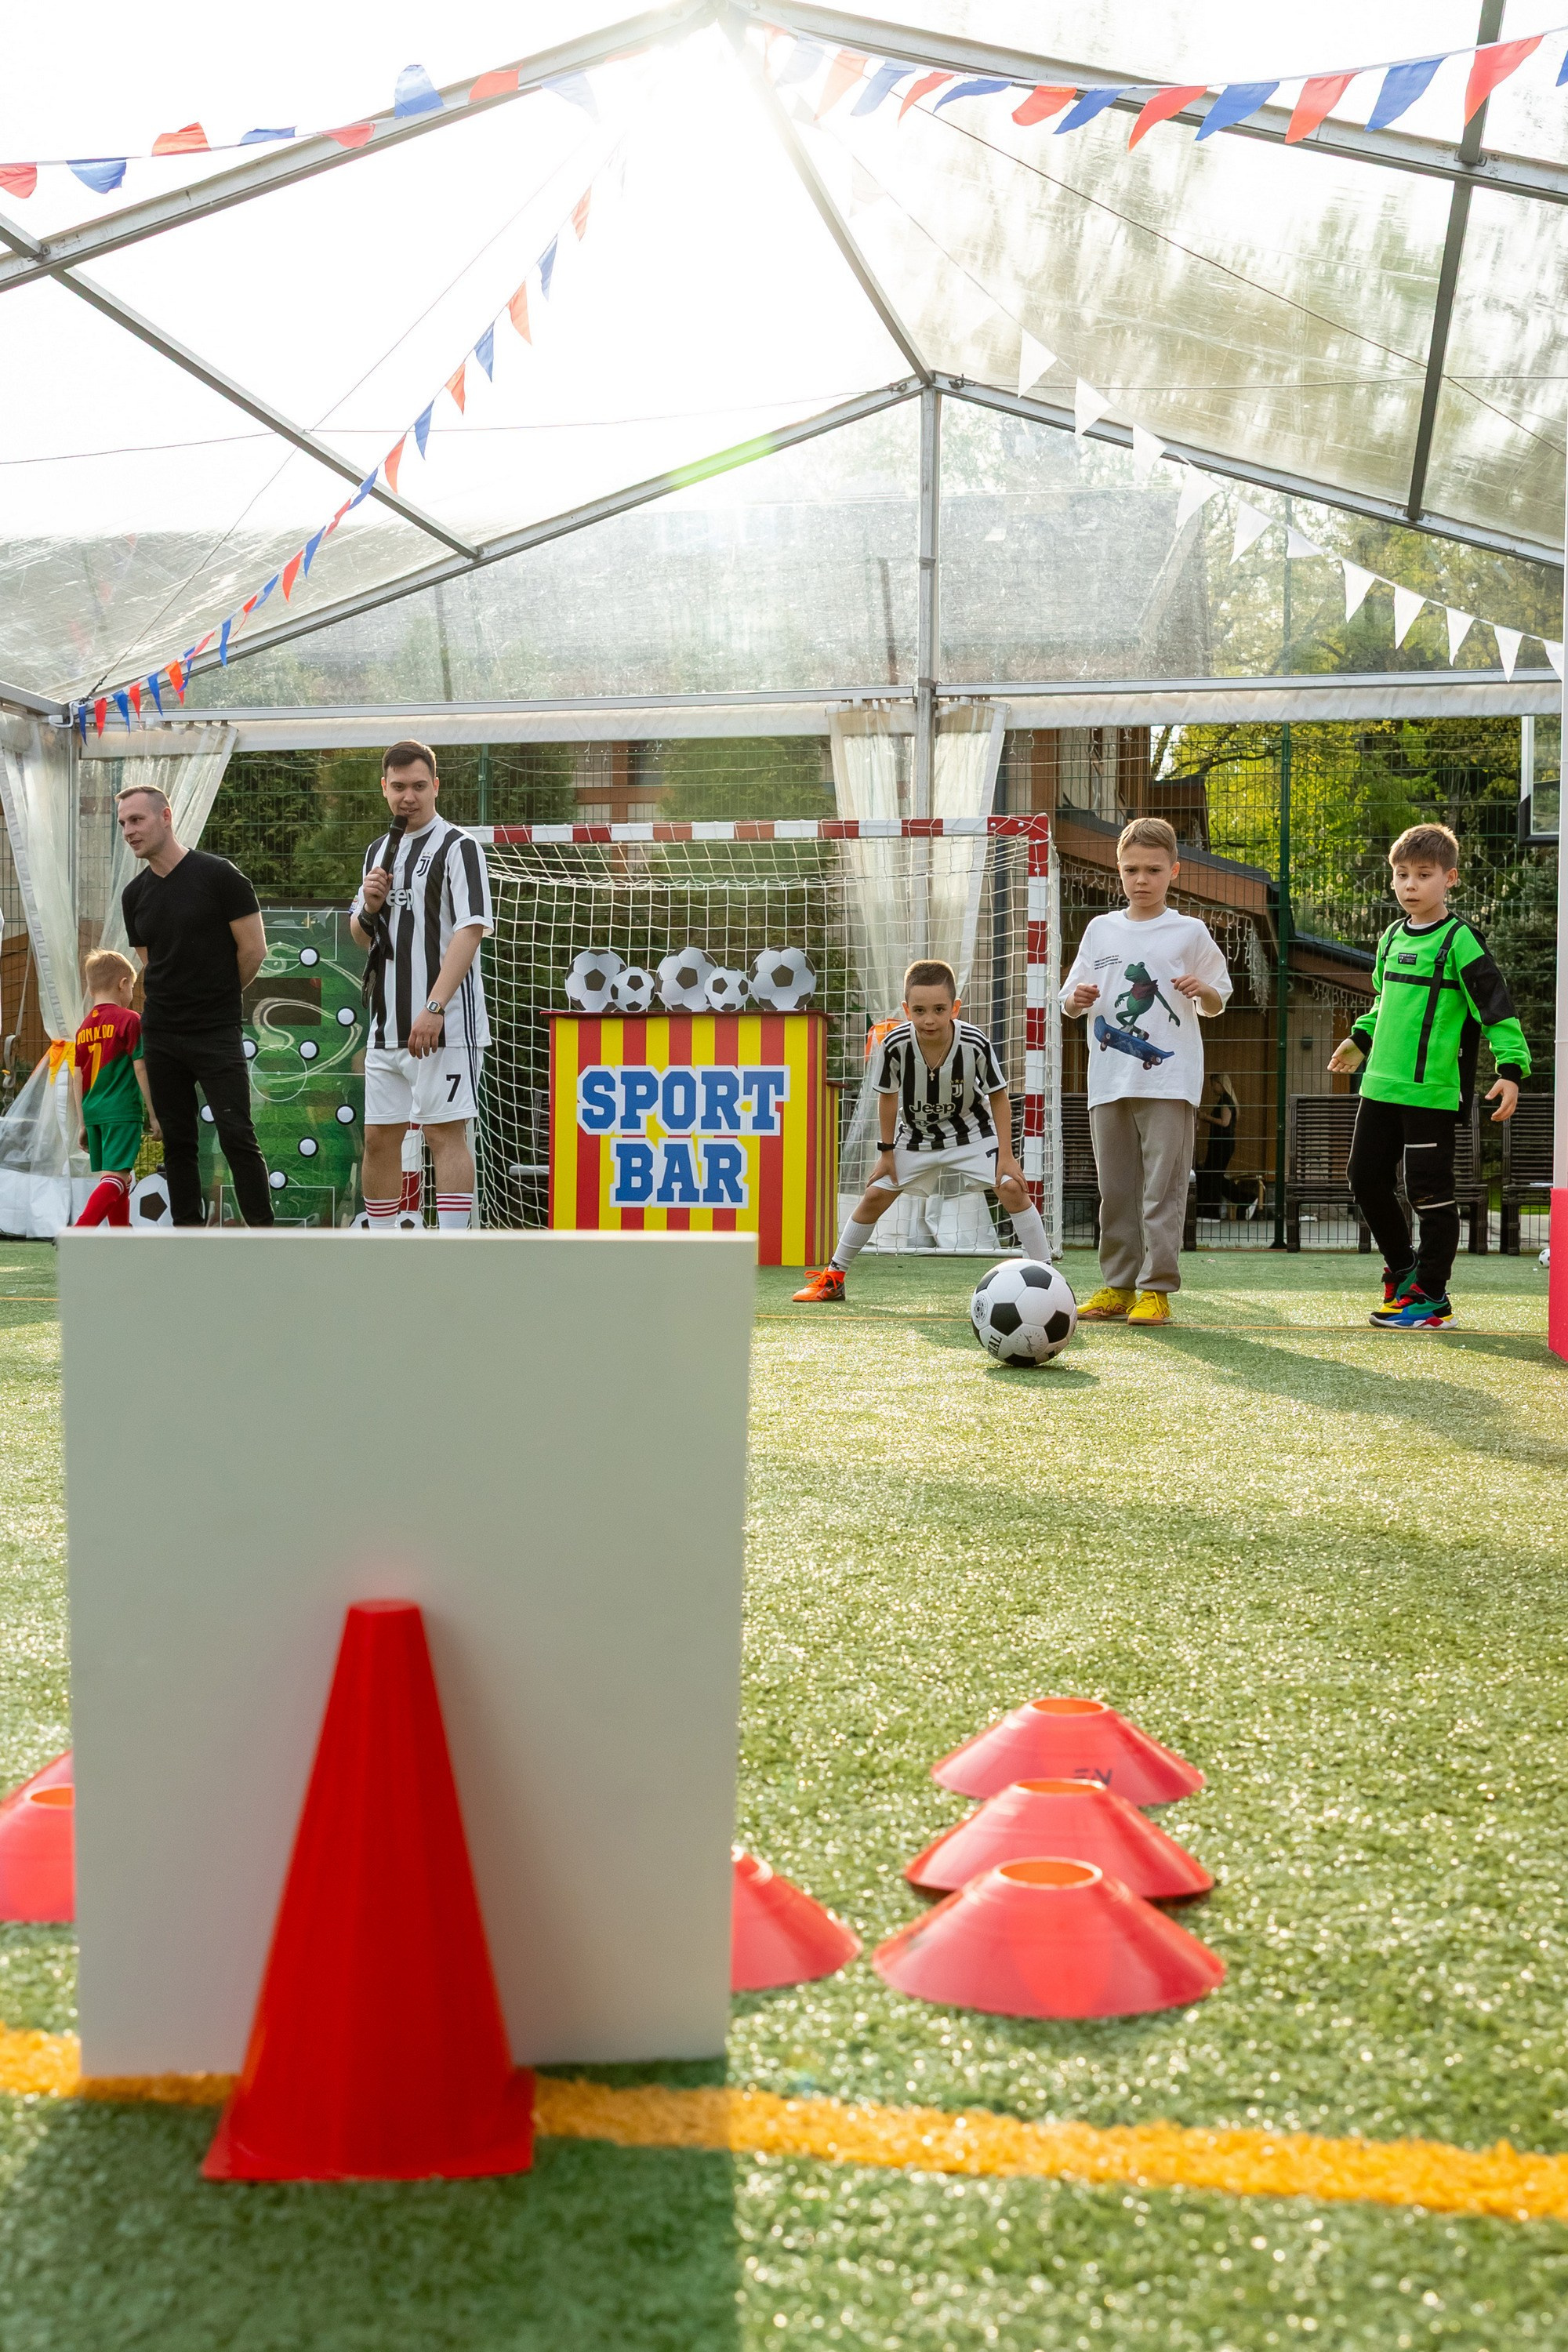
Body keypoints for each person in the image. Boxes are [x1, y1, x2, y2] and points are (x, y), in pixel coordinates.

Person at [1329, 822, 1529, 1331]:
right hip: (1380, 1087)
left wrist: (1510, 1070)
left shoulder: (1461, 941)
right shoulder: (1392, 937)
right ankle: (1403, 1272)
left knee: (1428, 1193)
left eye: (1423, 874)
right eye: (1402, 874)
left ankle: (1432, 1297)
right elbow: (1384, 1003)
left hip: (1431, 1094)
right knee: (1364, 1179)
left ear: (1450, 878)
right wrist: (1359, 1040)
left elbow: (1496, 1009)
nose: (1410, 884)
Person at [792, 958, 1049, 1301]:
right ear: (906, 1009)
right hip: (916, 1137)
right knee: (875, 1196)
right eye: (919, 1010)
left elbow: (999, 1098)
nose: (929, 1019)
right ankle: (834, 1278)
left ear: (954, 1008)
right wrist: (886, 1153)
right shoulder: (894, 1044)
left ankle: (1049, 1277)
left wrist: (1007, 1155)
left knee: (1012, 1187)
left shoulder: (975, 1043)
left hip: (971, 1133)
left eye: (939, 1009)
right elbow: (888, 1098)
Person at [1060, 816, 1232, 1325]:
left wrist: (1204, 992)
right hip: (1108, 1081)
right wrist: (1077, 999)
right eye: (1132, 869)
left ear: (1173, 871)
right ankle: (1117, 1286)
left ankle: (1155, 1289)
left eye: (1153, 870)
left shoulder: (1191, 932)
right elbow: (1069, 1000)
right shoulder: (1100, 930)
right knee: (1115, 1191)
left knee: (1163, 1192)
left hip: (1170, 1083)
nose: (1142, 880)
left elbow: (1218, 999)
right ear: (1118, 870)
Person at [350, 739, 493, 1232]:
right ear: (384, 788)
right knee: (378, 1140)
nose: (407, 797)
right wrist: (369, 907)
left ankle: (451, 1254)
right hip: (386, 1026)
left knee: (443, 1134)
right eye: (398, 787)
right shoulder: (377, 851)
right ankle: (383, 1250)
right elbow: (360, 935)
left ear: (436, 786)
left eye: (417, 786)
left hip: (442, 1025)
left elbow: (471, 929)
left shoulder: (459, 846)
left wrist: (434, 1007)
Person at [118, 784, 273, 1228]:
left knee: (237, 1135)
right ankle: (186, 1242)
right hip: (161, 1034)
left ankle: (268, 1242)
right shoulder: (133, 895)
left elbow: (254, 950)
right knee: (178, 1142)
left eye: (137, 820)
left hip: (215, 1031)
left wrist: (216, 998)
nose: (129, 831)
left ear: (166, 817)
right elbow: (154, 963)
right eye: (123, 823)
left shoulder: (220, 876)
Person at [69, 948, 159, 1228]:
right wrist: (154, 1114)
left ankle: (121, 1238)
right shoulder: (130, 1020)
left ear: (91, 988)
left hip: (93, 1112)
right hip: (121, 1110)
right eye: (132, 986)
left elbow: (77, 1076)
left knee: (119, 1177)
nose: (131, 991)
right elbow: (141, 1068)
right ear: (123, 983)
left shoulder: (84, 1028)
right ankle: (81, 1231)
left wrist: (82, 1123)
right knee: (116, 1177)